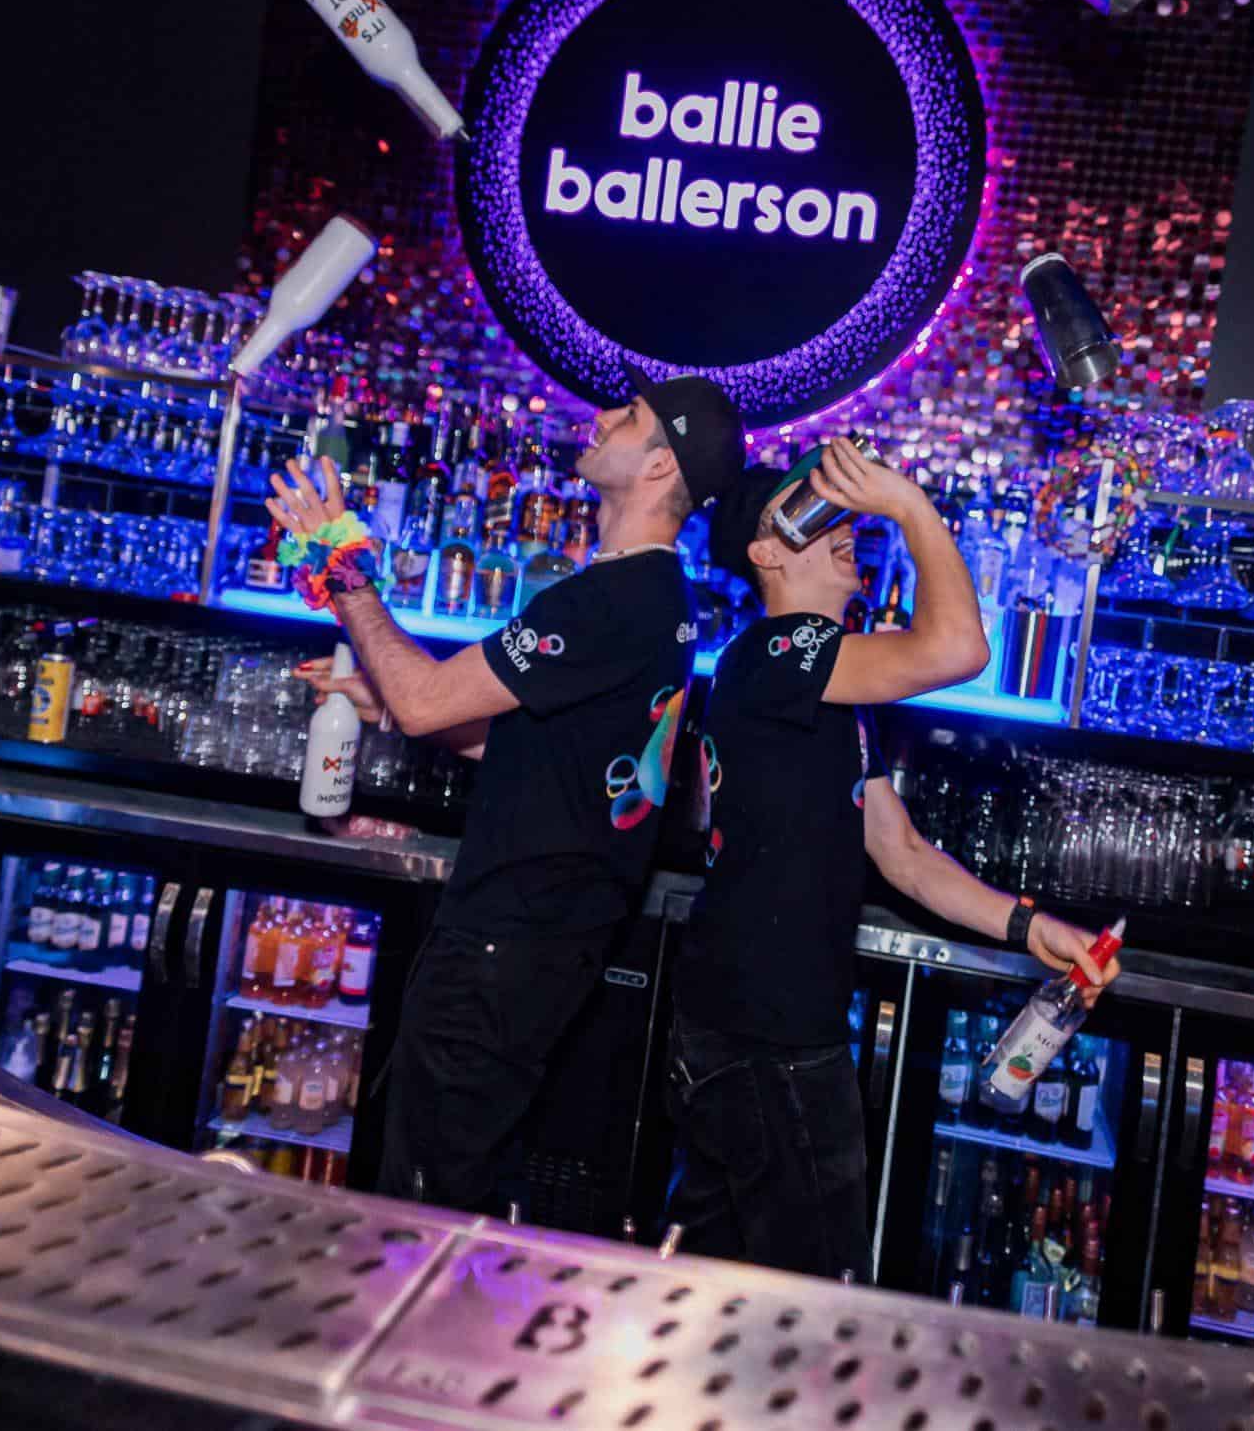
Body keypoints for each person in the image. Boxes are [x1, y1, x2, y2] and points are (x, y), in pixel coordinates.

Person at [265, 366, 745, 1214]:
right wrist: (383, 695)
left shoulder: (603, 601)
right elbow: (538, 748)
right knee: (473, 1181)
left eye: (628, 415)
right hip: (547, 950)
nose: (600, 418)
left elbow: (426, 704)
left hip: (502, 951)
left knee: (426, 1205)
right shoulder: (660, 601)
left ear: (662, 466)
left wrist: (342, 573)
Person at [666, 440, 1119, 1280]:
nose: (842, 527)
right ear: (765, 552)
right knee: (812, 1298)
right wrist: (909, 505)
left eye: (841, 512)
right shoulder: (778, 651)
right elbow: (959, 649)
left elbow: (901, 852)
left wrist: (1028, 927)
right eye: (808, 514)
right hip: (770, 1034)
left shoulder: (821, 685)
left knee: (714, 1280)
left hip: (751, 1022)